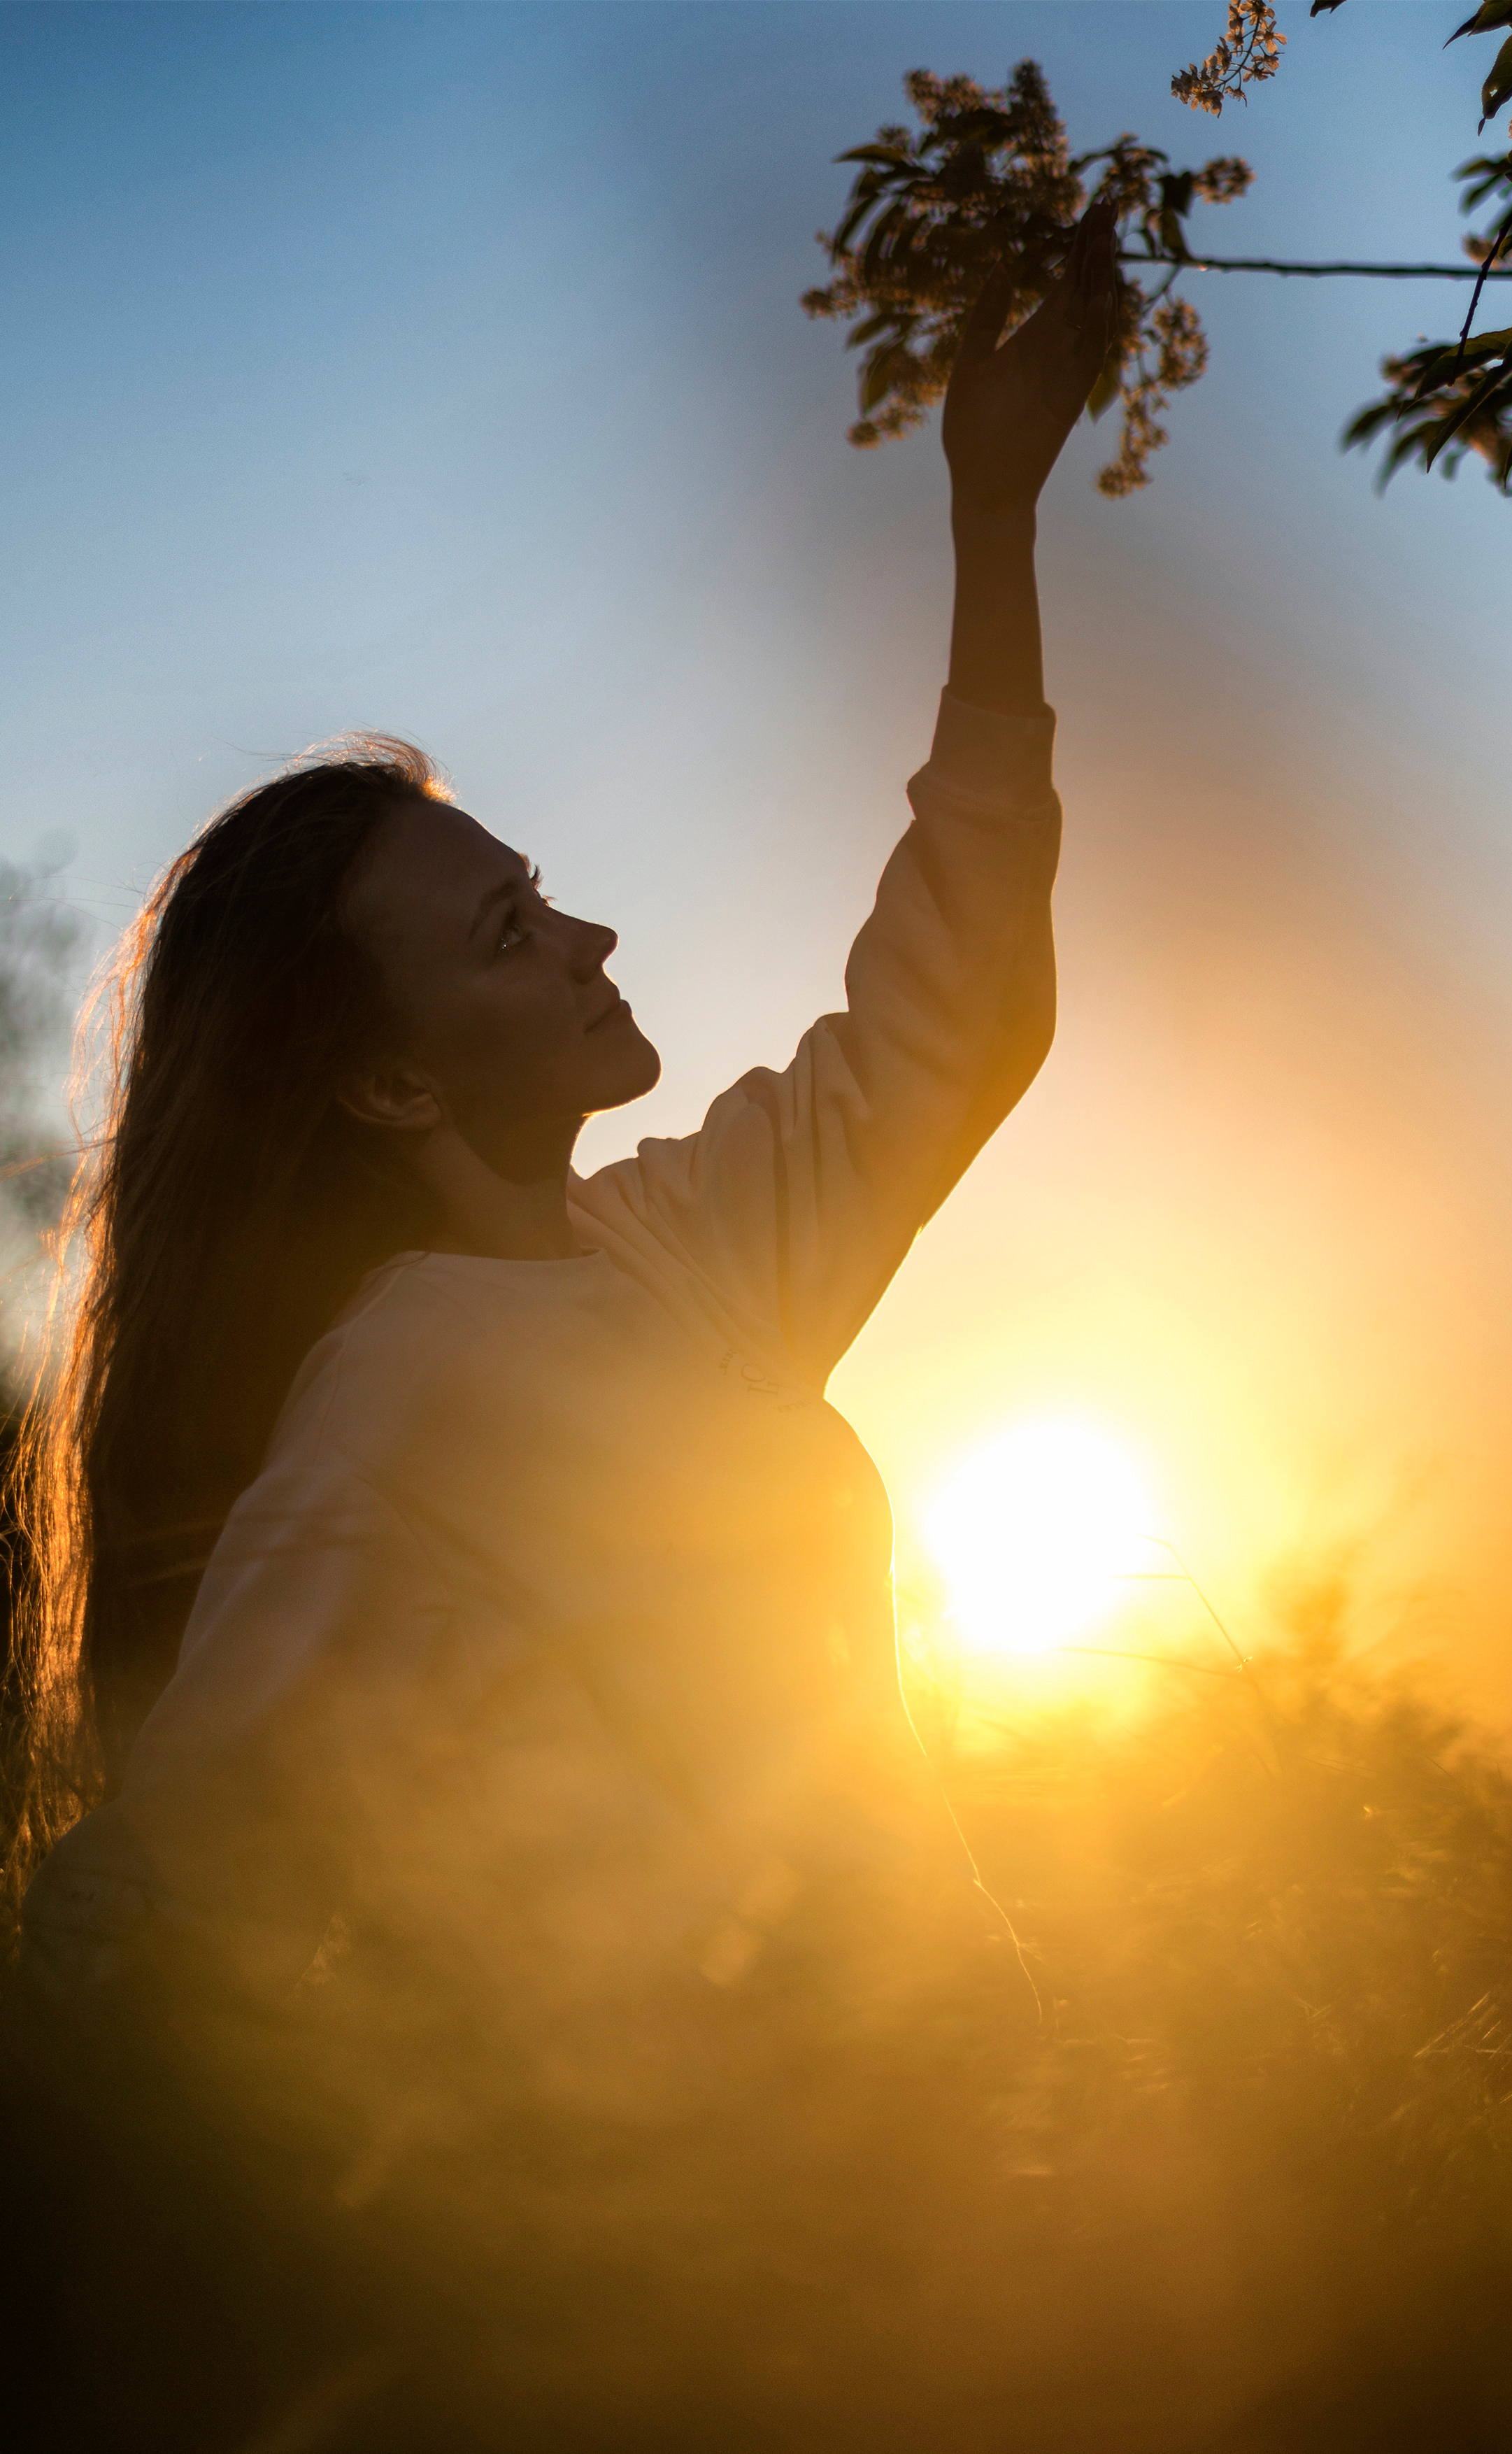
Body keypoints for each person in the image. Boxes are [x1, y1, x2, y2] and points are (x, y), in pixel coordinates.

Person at [3, 207, 1120, 2450]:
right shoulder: (394, 1391)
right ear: (393, 1081)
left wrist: (994, 513)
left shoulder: (668, 1255)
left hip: (942, 2224)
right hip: (710, 2299)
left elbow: (959, 1007)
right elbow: (160, 1898)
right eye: (511, 931)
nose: (595, 925)